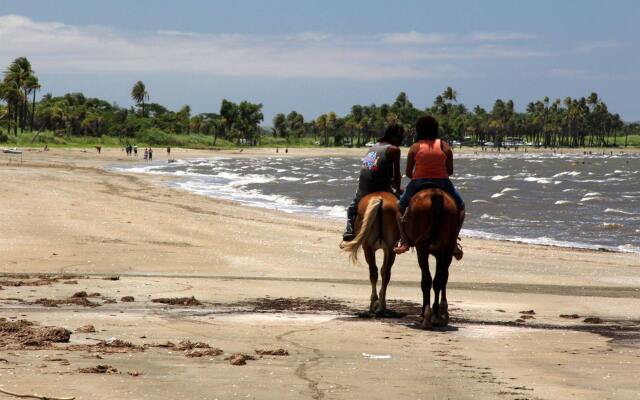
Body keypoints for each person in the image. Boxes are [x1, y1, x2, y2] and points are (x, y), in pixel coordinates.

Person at [394, 115, 465, 259]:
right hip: (442, 182)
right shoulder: (445, 146)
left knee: (400, 208)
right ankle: (454, 242)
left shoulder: (415, 147)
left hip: (418, 182)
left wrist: (420, 174)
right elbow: (450, 171)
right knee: (461, 207)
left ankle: (405, 241)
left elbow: (408, 172)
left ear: (419, 130)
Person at [342, 124, 405, 242]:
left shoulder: (374, 147)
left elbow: (370, 167)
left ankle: (349, 229)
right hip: (380, 186)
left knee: (352, 207)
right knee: (403, 205)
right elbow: (396, 174)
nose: (401, 140)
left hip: (363, 186)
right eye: (400, 137)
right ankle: (405, 236)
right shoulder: (394, 150)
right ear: (392, 136)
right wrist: (397, 189)